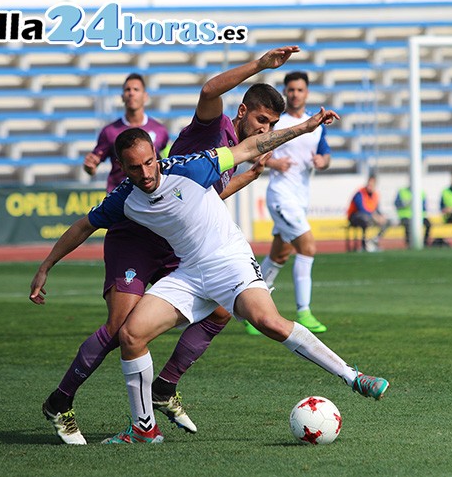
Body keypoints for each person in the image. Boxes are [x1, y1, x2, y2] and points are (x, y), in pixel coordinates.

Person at [29, 110, 389, 446]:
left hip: (230, 261)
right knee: (130, 335)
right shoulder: (123, 199)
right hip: (188, 273)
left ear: (157, 155)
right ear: (122, 168)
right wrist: (46, 266)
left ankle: (352, 377)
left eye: (150, 162)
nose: (146, 173)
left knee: (268, 321)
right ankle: (143, 429)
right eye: (135, 168)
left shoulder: (191, 167)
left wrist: (304, 127)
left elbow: (250, 146)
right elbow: (82, 226)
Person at [39, 48, 296, 445]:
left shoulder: (230, 151)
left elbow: (211, 194)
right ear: (242, 112)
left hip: (176, 242)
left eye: (273, 124)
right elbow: (210, 89)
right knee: (121, 328)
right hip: (136, 239)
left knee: (224, 308)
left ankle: (163, 387)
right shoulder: (212, 129)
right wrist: (260, 65)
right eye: (262, 120)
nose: (266, 130)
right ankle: (61, 401)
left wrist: (250, 175)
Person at [255, 71, 331, 336]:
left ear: (306, 92)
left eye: (299, 90)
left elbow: (325, 154)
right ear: (285, 92)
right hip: (280, 196)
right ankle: (304, 311)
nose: (295, 94)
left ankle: (247, 310)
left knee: (279, 254)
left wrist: (323, 162)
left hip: (300, 199)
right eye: (291, 90)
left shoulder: (316, 125)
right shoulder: (278, 122)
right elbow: (256, 153)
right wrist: (274, 162)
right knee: (307, 246)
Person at [83, 73, 169, 188]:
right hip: (119, 197)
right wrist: (89, 167)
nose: (131, 93)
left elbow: (165, 162)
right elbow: (92, 166)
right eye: (127, 90)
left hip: (148, 197)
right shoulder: (109, 131)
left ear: (145, 96)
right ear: (122, 96)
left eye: (136, 89)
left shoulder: (160, 130)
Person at [347, 174, 389, 252]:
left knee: (387, 221)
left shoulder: (376, 195)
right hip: (355, 216)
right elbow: (361, 209)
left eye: (372, 185)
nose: (370, 187)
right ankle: (364, 245)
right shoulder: (360, 193)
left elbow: (377, 208)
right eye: (369, 184)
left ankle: (374, 241)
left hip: (370, 216)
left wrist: (381, 216)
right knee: (365, 219)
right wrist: (374, 216)